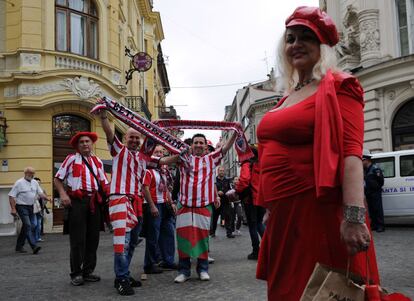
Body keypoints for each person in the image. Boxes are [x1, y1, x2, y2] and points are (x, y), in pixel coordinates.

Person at [255, 7, 380, 300]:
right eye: (290, 38)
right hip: (284, 217)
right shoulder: (287, 94)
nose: (296, 44)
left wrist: (353, 217)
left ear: (322, 46)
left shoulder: (340, 86)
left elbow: (351, 155)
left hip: (317, 210)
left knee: (318, 291)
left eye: (306, 37)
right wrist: (270, 208)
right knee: (288, 290)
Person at [99, 110, 178, 296]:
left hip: (136, 202)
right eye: (131, 137)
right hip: (120, 199)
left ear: (141, 141)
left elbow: (164, 160)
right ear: (125, 139)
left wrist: (181, 154)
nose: (134, 141)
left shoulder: (144, 158)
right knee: (122, 242)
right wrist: (103, 117)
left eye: (137, 138)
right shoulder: (119, 150)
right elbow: (110, 134)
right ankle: (121, 279)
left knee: (133, 240)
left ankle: (124, 273)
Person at [174, 132, 237, 283]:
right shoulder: (183, 158)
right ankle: (184, 271)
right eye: (196, 142)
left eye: (201, 143)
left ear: (205, 146)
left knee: (203, 239)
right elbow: (170, 148)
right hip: (185, 205)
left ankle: (202, 269)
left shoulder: (211, 159)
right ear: (191, 145)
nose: (198, 145)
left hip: (203, 205)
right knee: (183, 239)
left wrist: (235, 132)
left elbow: (226, 148)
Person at [54, 132, 108, 286]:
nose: (85, 144)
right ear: (77, 146)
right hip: (77, 202)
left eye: (87, 141)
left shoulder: (98, 161)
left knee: (93, 239)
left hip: (94, 202)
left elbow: (104, 182)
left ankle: (88, 271)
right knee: (77, 240)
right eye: (82, 142)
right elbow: (57, 179)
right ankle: (76, 273)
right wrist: (63, 194)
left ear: (92, 144)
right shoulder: (71, 159)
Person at [143, 145, 177, 273]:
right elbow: (144, 188)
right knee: (153, 236)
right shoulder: (148, 170)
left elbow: (167, 188)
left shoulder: (163, 171)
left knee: (168, 233)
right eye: (156, 152)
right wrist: (151, 206)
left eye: (161, 152)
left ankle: (168, 260)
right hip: (154, 205)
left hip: (165, 205)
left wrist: (171, 202)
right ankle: (149, 264)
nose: (158, 154)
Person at [9, 167, 50, 254]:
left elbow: (40, 193)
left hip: (31, 207)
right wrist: (13, 208)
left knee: (29, 226)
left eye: (32, 173)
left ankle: (19, 246)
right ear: (25, 173)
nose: (31, 175)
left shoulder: (35, 182)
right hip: (21, 206)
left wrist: (47, 198)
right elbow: (11, 196)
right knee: (28, 225)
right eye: (29, 173)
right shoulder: (19, 183)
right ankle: (34, 246)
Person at [363, 151, 385, 232]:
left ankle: (381, 226)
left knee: (378, 209)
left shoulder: (375, 169)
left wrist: (376, 188)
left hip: (375, 192)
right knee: (371, 210)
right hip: (368, 192)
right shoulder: (365, 170)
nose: (361, 162)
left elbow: (381, 181)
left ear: (367, 160)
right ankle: (374, 225)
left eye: (362, 160)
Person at [215, 166, 234, 238]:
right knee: (215, 217)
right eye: (220, 171)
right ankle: (212, 231)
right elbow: (211, 189)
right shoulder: (214, 180)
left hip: (225, 201)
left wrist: (224, 192)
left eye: (223, 171)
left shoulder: (227, 180)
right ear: (218, 171)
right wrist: (217, 193)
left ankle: (229, 233)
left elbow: (230, 189)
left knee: (227, 217)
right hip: (216, 201)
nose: (222, 172)